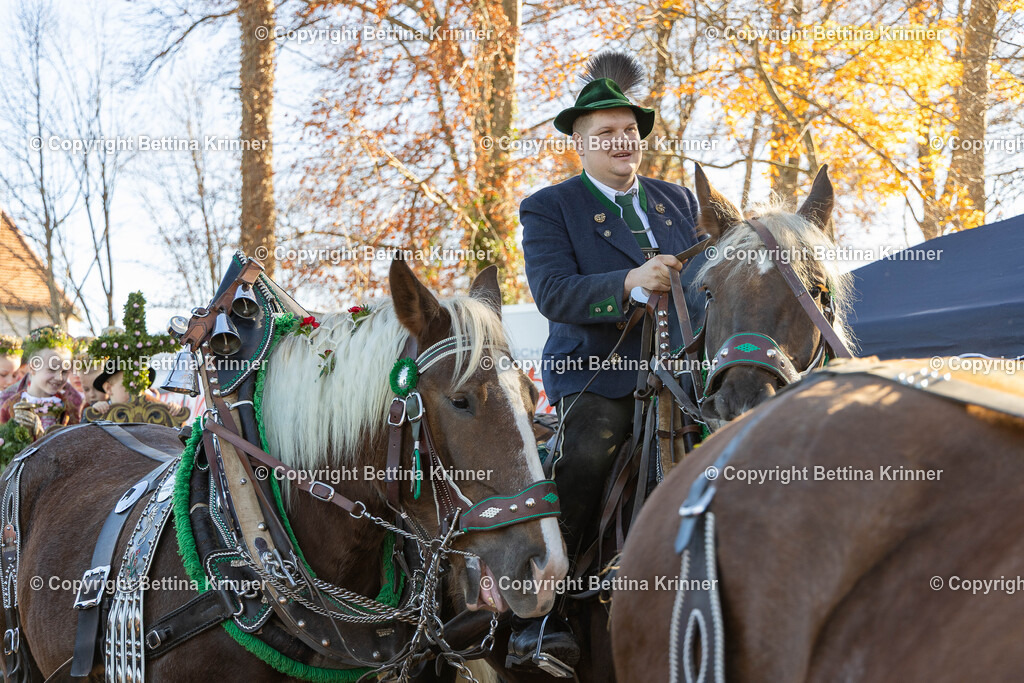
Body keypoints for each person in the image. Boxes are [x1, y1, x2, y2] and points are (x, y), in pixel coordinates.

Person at [512, 51, 702, 671]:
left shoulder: (677, 200)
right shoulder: (549, 208)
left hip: (686, 372)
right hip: (598, 375)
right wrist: (627, 281)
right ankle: (544, 618)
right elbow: (553, 294)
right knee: (590, 450)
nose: (622, 142)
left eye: (629, 131)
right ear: (580, 145)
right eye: (605, 135)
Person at [0, 326, 83, 463]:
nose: (59, 377)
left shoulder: (70, 406)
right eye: (52, 369)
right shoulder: (10, 404)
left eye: (65, 371)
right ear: (33, 367)